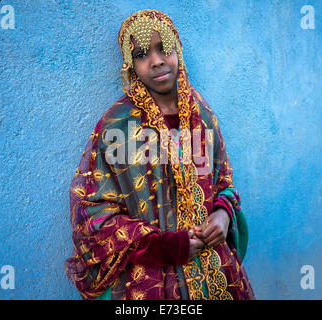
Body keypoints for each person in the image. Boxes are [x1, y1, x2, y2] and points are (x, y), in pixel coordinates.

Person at [65, 9, 255, 300]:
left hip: (214, 271)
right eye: (142, 54)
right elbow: (94, 214)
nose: (156, 60)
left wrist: (222, 215)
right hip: (154, 280)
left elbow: (223, 182)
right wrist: (167, 247)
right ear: (130, 66)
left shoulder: (202, 115)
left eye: (164, 48)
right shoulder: (119, 126)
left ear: (177, 49)